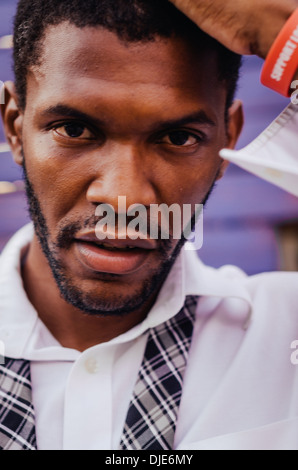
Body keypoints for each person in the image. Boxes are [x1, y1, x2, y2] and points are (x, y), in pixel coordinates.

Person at [0, 0, 297, 451]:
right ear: (15, 127)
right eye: (75, 130)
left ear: (228, 138)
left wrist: (288, 33)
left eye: (178, 138)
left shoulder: (285, 335)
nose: (125, 197)